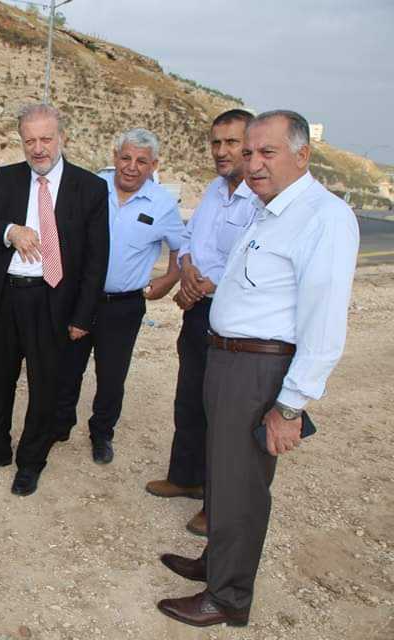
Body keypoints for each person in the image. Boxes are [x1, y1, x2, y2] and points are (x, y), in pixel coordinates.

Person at [157, 110, 359, 628]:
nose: (253, 163)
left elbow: (323, 321)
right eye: (248, 153)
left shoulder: (324, 217)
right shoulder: (267, 211)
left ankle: (227, 598)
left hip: (259, 369)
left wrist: (290, 406)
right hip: (227, 358)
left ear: (302, 155)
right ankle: (215, 563)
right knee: (223, 473)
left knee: (243, 485)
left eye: (267, 152)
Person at [0, 103, 109, 496]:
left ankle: (31, 461)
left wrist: (82, 317)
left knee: (45, 386)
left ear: (62, 138)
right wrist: (10, 231)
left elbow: (97, 260)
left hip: (53, 301)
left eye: (46, 139)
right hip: (7, 297)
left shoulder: (90, 188)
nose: (38, 148)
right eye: (30, 140)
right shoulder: (7, 177)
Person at [145, 109, 256, 536]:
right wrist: (188, 270)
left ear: (250, 146)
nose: (222, 151)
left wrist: (205, 284)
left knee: (222, 413)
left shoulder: (259, 199)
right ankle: (186, 477)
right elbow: (190, 239)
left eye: (232, 143)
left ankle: (217, 503)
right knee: (189, 398)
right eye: (216, 143)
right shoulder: (213, 190)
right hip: (198, 310)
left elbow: (249, 260)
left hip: (231, 316)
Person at [55, 128, 184, 464]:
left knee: (112, 376)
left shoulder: (163, 203)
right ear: (114, 157)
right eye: (125, 158)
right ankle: (60, 424)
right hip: (80, 298)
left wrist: (170, 278)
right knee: (67, 367)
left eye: (141, 161)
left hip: (124, 306)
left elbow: (182, 245)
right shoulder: (93, 186)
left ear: (154, 165)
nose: (131, 167)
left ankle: (101, 433)